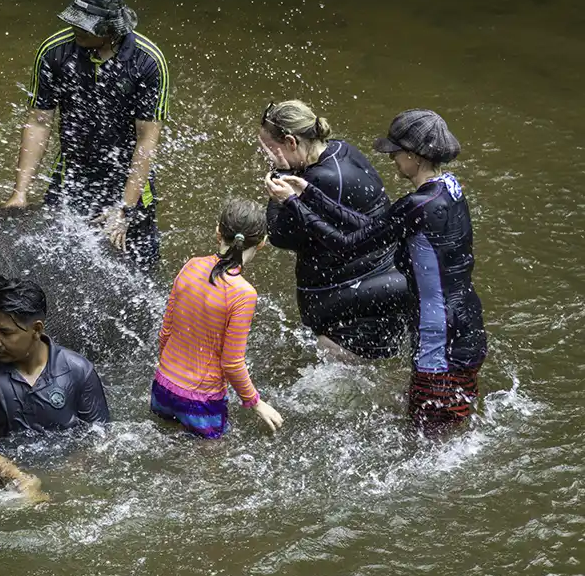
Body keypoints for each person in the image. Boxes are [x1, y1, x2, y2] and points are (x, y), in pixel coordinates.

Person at [266, 109, 488, 431]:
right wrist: (308, 192)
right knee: (444, 419)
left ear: (413, 155)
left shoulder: (417, 206)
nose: (393, 159)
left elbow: (346, 244)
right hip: (466, 327)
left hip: (440, 341)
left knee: (431, 438)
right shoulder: (446, 191)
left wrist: (291, 204)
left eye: (396, 152)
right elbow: (372, 228)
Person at [4, 0, 169, 274]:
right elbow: (40, 122)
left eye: (86, 25)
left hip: (128, 183)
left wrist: (124, 209)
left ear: (110, 29)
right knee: (54, 267)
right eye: (75, 20)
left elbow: (147, 141)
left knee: (139, 273)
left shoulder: (147, 61)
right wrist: (21, 193)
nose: (76, 29)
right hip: (72, 175)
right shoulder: (55, 52)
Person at [259, 100, 410, 361]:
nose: (266, 156)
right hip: (382, 284)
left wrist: (279, 176)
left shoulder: (319, 180)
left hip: (362, 301)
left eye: (270, 148)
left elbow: (279, 235)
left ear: (291, 143)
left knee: (341, 381)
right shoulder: (342, 149)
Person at [0, 277, 110, 503]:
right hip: (11, 475)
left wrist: (64, 480)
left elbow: (100, 439)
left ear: (36, 329)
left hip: (66, 472)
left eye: (5, 333)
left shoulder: (78, 370)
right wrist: (20, 480)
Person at [153, 198, 284, 438]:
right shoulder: (242, 294)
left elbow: (165, 333)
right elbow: (232, 363)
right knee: (211, 464)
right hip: (201, 400)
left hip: (162, 385)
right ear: (263, 243)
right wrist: (255, 402)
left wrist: (173, 377)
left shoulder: (191, 266)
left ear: (217, 232)